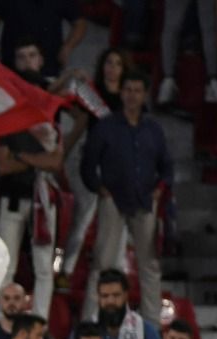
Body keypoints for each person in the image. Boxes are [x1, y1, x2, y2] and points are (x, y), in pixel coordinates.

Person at [81, 72, 171, 324]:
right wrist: (99, 188)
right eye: (128, 90)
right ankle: (92, 319)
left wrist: (160, 188)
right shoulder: (106, 126)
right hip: (113, 198)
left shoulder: (153, 128)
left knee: (150, 265)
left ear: (144, 95)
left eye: (137, 90)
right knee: (103, 262)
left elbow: (166, 165)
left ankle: (151, 324)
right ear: (121, 94)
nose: (132, 96)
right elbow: (88, 164)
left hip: (145, 200)